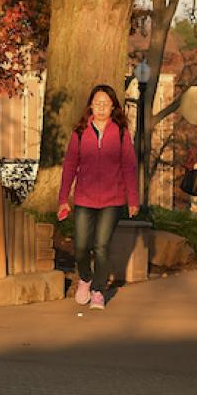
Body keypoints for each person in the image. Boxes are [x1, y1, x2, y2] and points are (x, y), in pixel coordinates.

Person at [57, 84, 140, 311]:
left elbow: (129, 168)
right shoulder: (80, 132)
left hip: (112, 200)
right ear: (91, 105)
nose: (101, 107)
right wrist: (63, 198)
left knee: (101, 246)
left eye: (106, 103)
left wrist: (133, 200)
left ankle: (98, 291)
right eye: (97, 102)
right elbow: (70, 166)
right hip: (84, 198)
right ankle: (85, 277)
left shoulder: (121, 133)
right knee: (82, 247)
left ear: (113, 106)